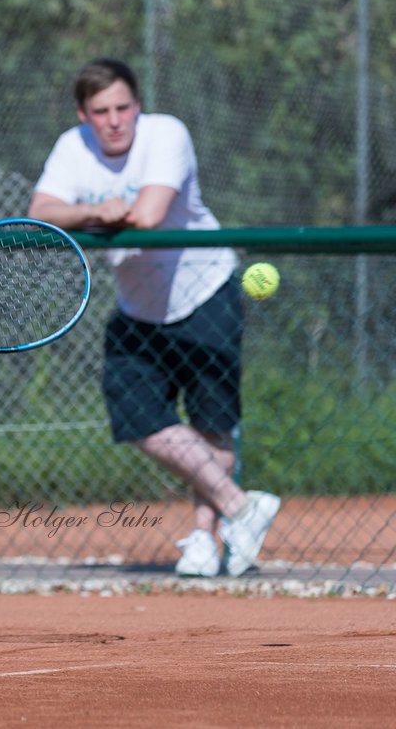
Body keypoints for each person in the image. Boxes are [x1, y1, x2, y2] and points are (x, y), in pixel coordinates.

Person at [27, 58, 279, 578]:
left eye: (123, 107)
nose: (115, 120)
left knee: (212, 424)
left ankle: (206, 545)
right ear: (83, 115)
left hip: (204, 291)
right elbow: (40, 212)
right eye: (101, 111)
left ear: (137, 107)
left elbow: (148, 215)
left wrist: (92, 211)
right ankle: (242, 507)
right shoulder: (72, 147)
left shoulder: (167, 134)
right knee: (137, 417)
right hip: (138, 309)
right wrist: (101, 210)